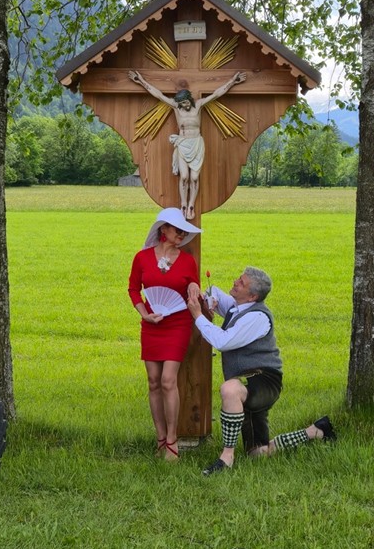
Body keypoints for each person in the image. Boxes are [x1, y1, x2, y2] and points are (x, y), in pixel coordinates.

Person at [185, 266, 337, 476]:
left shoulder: (256, 317)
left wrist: (197, 315)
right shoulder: (238, 307)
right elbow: (215, 294)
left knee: (230, 389)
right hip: (247, 382)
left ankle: (226, 458)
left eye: (242, 283)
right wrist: (202, 292)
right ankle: (317, 431)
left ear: (253, 296)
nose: (236, 282)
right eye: (239, 278)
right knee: (258, 453)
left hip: (264, 380)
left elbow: (222, 341)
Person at [128, 207, 203, 461]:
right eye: (177, 229)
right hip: (152, 323)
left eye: (183, 231)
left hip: (177, 324)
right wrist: (143, 313)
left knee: (168, 380)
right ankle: (160, 437)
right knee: (153, 381)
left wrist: (194, 285)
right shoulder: (142, 258)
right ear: (164, 230)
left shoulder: (187, 260)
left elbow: (194, 286)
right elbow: (133, 289)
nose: (181, 234)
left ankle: (172, 441)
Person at [127, 70, 247, 220]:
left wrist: (233, 81)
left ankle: (191, 205)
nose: (184, 105)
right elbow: (158, 94)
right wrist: (141, 81)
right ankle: (183, 204)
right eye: (181, 104)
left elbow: (217, 93)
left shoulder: (198, 106)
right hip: (183, 144)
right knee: (184, 176)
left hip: (196, 143)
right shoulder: (176, 108)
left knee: (194, 178)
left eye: (185, 102)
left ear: (189, 99)